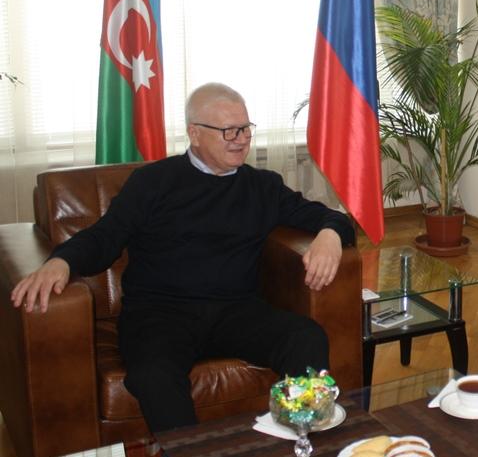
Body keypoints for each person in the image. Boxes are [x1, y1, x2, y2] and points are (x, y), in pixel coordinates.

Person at [10, 82, 356, 433]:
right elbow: (106, 236)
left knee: (305, 336)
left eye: (245, 128)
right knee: (152, 375)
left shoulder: (262, 186)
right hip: (160, 314)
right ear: (194, 133)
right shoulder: (153, 182)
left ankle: (303, 442)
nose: (241, 139)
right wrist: (62, 261)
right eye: (228, 131)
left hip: (235, 311)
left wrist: (331, 234)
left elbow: (330, 216)